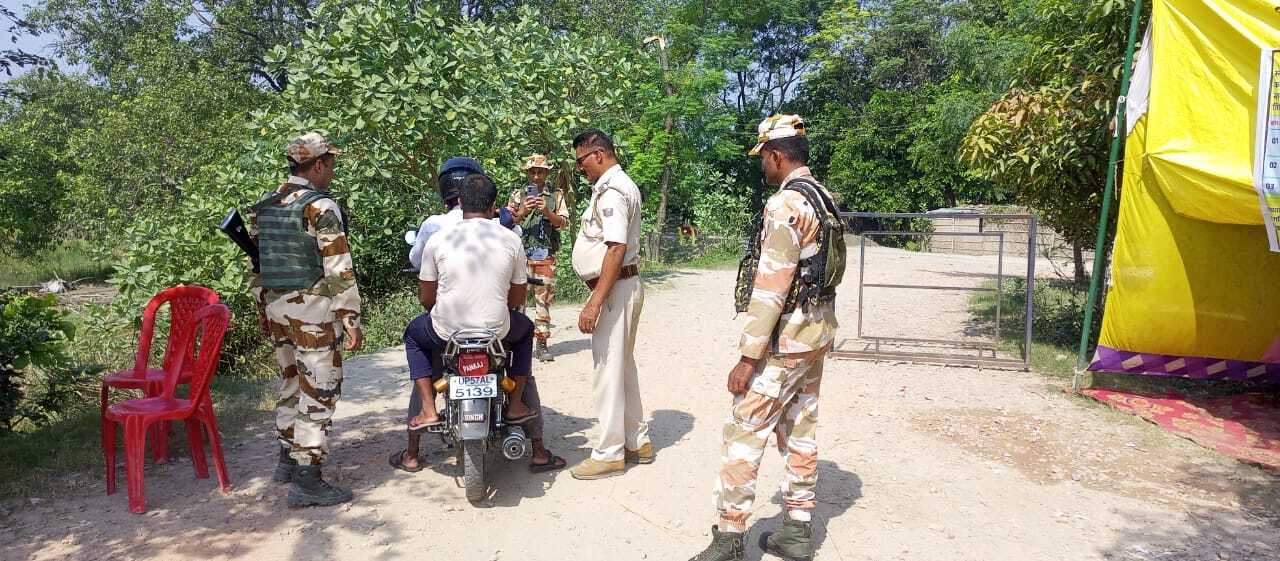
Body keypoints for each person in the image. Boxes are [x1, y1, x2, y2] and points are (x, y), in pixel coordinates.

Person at [688, 115, 846, 561]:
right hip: (815, 334)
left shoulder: (785, 205)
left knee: (744, 430)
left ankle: (729, 537)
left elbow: (771, 289)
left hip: (785, 341)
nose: (762, 166)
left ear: (777, 156)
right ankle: (797, 527)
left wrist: (747, 357)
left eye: (764, 158)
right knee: (801, 427)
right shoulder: (823, 198)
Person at [391, 172, 566, 474]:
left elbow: (426, 297)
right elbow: (516, 298)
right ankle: (516, 407)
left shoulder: (438, 239)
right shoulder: (510, 239)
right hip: (496, 331)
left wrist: (446, 316)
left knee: (414, 335)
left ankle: (428, 410)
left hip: (446, 331)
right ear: (494, 205)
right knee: (525, 331)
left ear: (460, 202)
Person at [248, 132, 363, 508]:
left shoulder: (265, 206)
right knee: (319, 388)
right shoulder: (321, 206)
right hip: (312, 312)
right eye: (330, 163)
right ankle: (307, 477)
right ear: (317, 165)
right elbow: (338, 266)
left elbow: (256, 264)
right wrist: (350, 316)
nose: (332, 170)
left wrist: (262, 306)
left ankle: (286, 459)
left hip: (277, 308)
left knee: (291, 382)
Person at [568, 129, 652, 481]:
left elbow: (616, 248)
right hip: (620, 287)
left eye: (581, 161)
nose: (580, 168)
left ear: (598, 155)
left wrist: (594, 303)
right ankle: (636, 440)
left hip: (614, 289)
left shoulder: (613, 191)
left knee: (607, 370)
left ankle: (609, 453)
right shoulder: (614, 186)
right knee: (622, 366)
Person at [507, 154, 571, 362]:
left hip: (544, 256)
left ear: (546, 173)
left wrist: (547, 211)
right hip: (519, 257)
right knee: (516, 302)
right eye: (533, 172)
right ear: (528, 173)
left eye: (540, 172)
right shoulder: (518, 195)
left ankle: (542, 344)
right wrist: (523, 211)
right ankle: (516, 344)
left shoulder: (556, 195)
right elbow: (507, 223)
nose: (536, 176)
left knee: (543, 302)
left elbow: (564, 223)